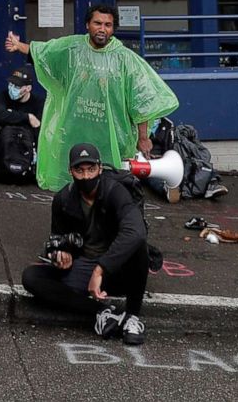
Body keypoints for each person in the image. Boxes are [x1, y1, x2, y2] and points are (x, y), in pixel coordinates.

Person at [4, 4, 180, 191]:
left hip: (111, 135)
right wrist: (18, 46)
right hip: (75, 129)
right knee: (76, 185)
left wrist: (143, 137)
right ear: (88, 24)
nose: (102, 29)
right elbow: (44, 52)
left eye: (108, 25)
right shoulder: (72, 48)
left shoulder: (126, 60)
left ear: (113, 29)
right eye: (97, 23)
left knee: (110, 186)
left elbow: (142, 101)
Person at [20, 143, 152, 346]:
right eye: (79, 170)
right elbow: (58, 239)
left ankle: (132, 317)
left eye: (91, 169)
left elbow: (135, 231)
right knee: (31, 277)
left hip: (117, 268)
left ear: (100, 169)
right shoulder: (63, 199)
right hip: (85, 267)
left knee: (139, 246)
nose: (86, 176)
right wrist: (61, 255)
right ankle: (102, 312)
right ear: (70, 171)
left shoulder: (115, 192)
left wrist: (101, 270)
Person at [0, 67, 46, 182]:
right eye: (11, 84)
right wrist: (27, 117)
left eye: (17, 86)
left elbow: (39, 128)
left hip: (26, 149)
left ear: (28, 88)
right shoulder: (2, 96)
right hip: (4, 147)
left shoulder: (39, 102)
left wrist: (11, 116)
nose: (12, 88)